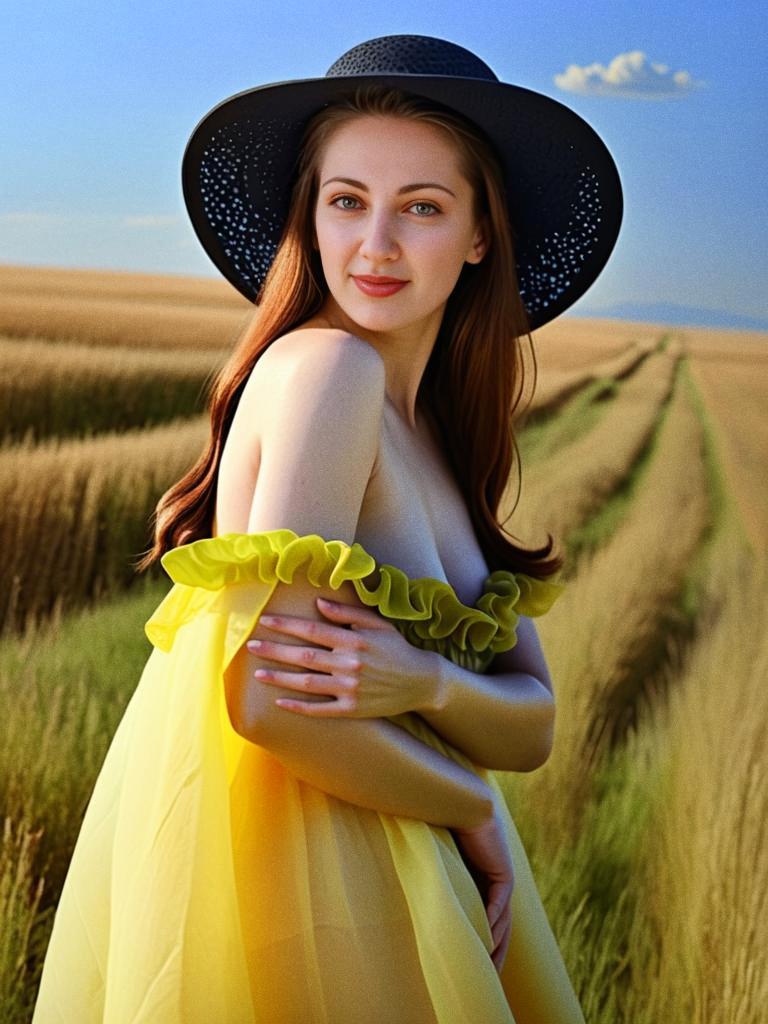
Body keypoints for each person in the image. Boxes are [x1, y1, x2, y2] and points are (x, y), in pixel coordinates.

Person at [32, 34, 622, 1024]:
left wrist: (425, 679)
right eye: (346, 200)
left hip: (399, 855)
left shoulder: (434, 430)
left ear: (482, 232)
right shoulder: (330, 375)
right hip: (314, 880)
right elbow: (272, 698)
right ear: (312, 212)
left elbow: (535, 723)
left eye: (421, 207)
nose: (375, 245)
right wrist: (470, 805)